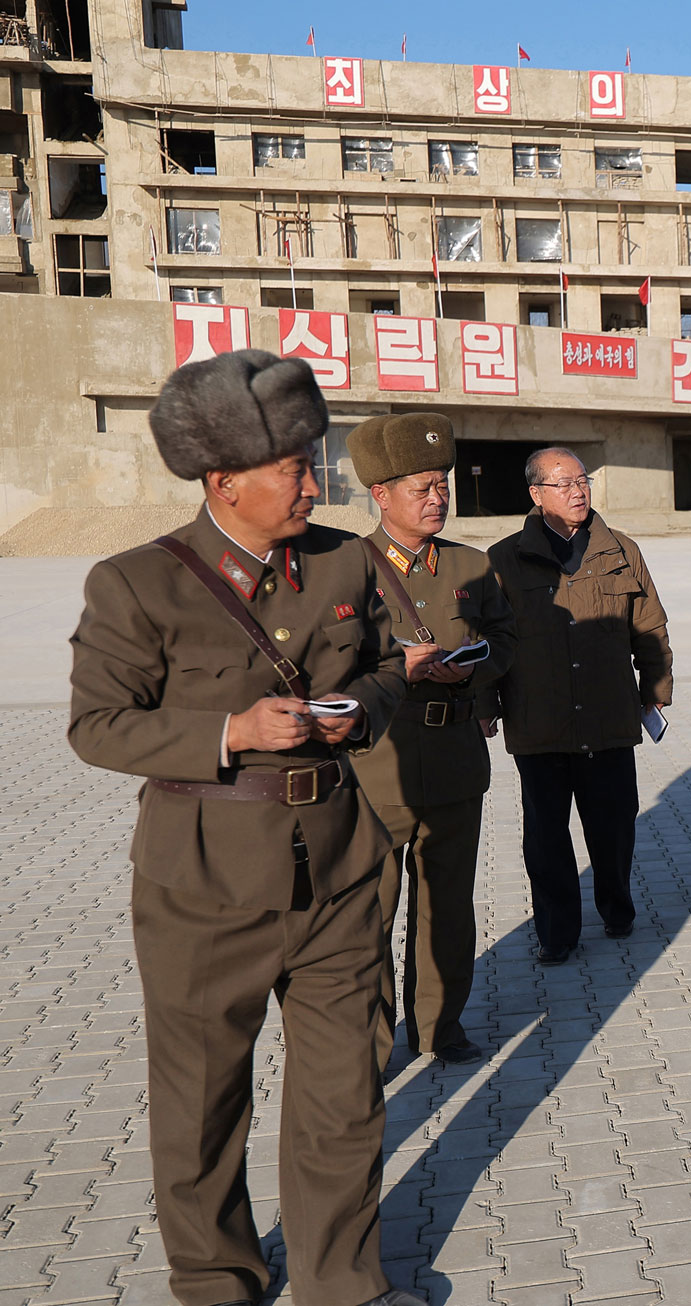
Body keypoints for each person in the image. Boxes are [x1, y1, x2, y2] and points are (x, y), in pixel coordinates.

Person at [67, 350, 422, 1306]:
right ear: (224, 481)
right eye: (295, 469)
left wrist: (366, 706)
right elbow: (97, 726)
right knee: (201, 1104)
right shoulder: (138, 584)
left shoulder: (347, 559)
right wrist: (228, 731)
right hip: (204, 883)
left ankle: (343, 1283)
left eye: (316, 462)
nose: (318, 483)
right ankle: (216, 1281)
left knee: (345, 1096)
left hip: (341, 868)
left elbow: (392, 666)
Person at [345, 413, 516, 1072]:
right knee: (369, 914)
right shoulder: (347, 569)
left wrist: (475, 667)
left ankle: (441, 1027)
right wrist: (401, 665)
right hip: (376, 767)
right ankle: (369, 1043)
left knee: (447, 907)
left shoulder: (473, 566)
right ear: (380, 495)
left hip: (453, 764)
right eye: (421, 488)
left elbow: (507, 639)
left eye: (441, 485)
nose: (437, 498)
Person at [488, 448, 672, 965]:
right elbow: (487, 639)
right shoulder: (503, 560)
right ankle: (557, 933)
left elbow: (650, 627)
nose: (578, 491)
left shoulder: (622, 550)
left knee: (615, 827)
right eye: (563, 483)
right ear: (536, 494)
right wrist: (484, 703)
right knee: (546, 840)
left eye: (582, 481)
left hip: (608, 717)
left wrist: (656, 688)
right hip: (539, 721)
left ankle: (617, 908)